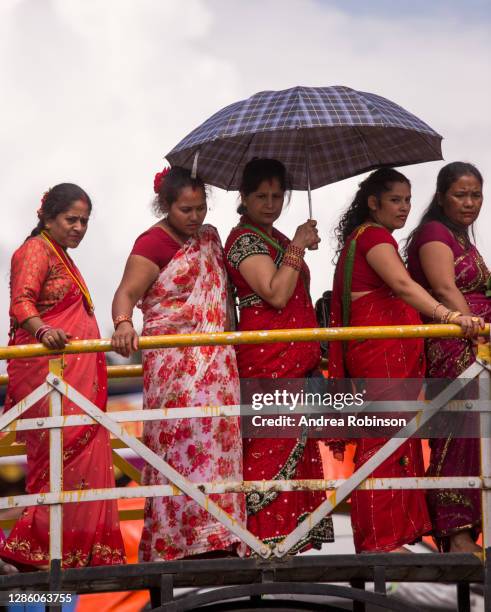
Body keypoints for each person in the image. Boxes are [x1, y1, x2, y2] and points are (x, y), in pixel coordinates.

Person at [329, 168, 482, 553]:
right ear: (373, 203)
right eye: (395, 200)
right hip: (380, 353)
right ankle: (381, 540)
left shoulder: (366, 237)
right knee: (383, 441)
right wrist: (450, 317)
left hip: (385, 353)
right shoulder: (374, 237)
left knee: (392, 441)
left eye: (408, 200)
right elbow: (402, 286)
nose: (404, 208)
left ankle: (389, 535)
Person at [111, 166, 245, 562]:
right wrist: (122, 324)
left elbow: (223, 301)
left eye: (201, 208)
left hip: (218, 365)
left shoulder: (209, 239)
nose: (195, 217)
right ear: (165, 205)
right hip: (174, 366)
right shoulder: (152, 243)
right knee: (180, 447)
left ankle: (220, 538)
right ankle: (181, 544)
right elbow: (125, 294)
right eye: (186, 209)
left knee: (218, 448)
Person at [1, 184, 125, 569]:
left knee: (83, 457)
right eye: (71, 219)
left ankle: (77, 552)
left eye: (84, 221)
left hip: (74, 379)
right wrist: (42, 331)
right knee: (60, 458)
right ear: (48, 217)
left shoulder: (62, 256)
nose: (79, 228)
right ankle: (33, 549)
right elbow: (21, 302)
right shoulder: (34, 250)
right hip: (48, 375)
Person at [224, 158, 334, 553]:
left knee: (292, 446)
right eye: (261, 197)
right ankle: (257, 542)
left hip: (295, 359)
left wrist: (295, 246)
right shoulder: (243, 241)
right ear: (244, 198)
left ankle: (287, 544)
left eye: (276, 196)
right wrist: (298, 247)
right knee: (269, 445)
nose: (270, 204)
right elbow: (274, 292)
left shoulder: (275, 237)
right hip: (267, 360)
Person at [406, 162, 489, 552]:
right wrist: (479, 337)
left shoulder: (461, 236)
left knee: (476, 438)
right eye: (461, 194)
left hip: (473, 343)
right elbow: (445, 289)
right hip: (458, 346)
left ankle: (469, 532)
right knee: (459, 436)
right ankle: (456, 536)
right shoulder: (435, 232)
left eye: (476, 194)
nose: (470, 202)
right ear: (441, 198)